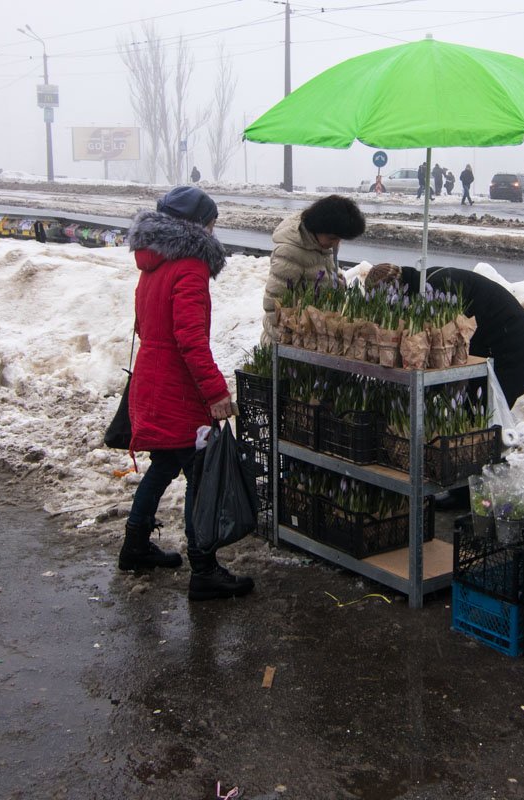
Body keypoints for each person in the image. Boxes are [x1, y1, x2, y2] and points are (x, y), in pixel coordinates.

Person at [120, 186, 253, 601]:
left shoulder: (152, 262)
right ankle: (204, 568)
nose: (216, 228)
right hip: (178, 389)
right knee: (200, 472)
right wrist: (215, 392)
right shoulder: (191, 265)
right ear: (199, 224)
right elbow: (191, 339)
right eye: (212, 221)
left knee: (162, 465)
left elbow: (146, 327)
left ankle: (135, 546)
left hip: (152, 379)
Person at [364, 264, 524, 408]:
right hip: (495, 346)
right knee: (473, 409)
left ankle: (487, 453)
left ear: (395, 291)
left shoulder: (436, 289)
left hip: (517, 351)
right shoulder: (424, 284)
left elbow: (445, 348)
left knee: (483, 415)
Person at [261, 194, 366, 344]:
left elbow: (320, 272)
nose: (336, 243)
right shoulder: (290, 252)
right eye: (332, 238)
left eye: (339, 238)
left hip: (313, 335)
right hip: (288, 341)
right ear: (317, 228)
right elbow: (273, 305)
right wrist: (292, 335)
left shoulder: (321, 244)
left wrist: (336, 281)